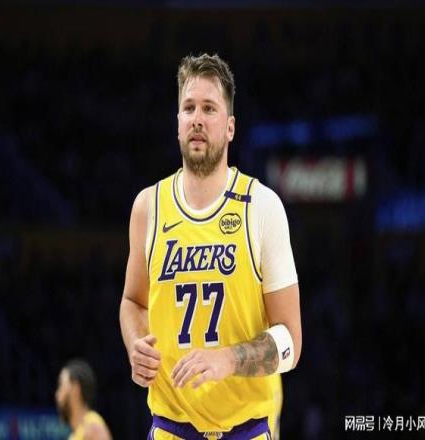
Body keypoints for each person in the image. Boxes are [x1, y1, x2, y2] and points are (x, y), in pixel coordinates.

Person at [120, 53, 302, 440]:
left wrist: (229, 359)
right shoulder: (148, 207)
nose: (197, 119)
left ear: (230, 127)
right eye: (189, 108)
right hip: (170, 427)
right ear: (178, 123)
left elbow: (291, 341)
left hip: (245, 430)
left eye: (209, 108)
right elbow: (132, 302)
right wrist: (137, 344)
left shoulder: (262, 206)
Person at [55, 359, 113, 440]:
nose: (57, 394)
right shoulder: (77, 433)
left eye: (61, 385)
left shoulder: (93, 427)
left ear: (75, 388)